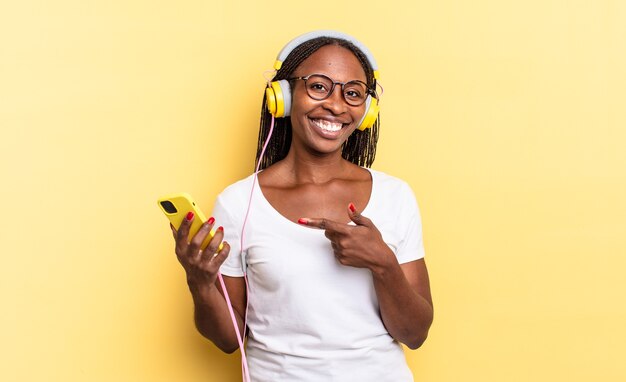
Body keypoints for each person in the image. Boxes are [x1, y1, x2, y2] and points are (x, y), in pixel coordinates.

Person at [170, 31, 434, 382]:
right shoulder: (238, 203)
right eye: (319, 87)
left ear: (366, 111)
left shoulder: (395, 196)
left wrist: (382, 262)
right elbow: (227, 340)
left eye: (352, 93)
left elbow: (415, 335)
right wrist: (199, 281)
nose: (337, 105)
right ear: (284, 96)